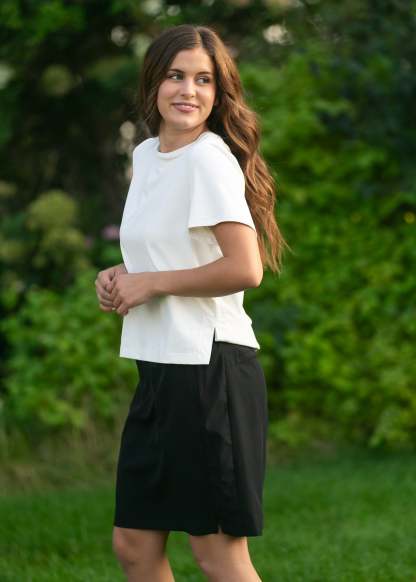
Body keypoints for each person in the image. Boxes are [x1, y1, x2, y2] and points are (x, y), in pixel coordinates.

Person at [95, 23, 287, 582]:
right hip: (159, 371)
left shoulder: (208, 159)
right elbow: (167, 251)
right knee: (134, 545)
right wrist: (122, 276)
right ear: (154, 82)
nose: (188, 91)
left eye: (204, 80)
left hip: (211, 373)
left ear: (219, 92)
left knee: (217, 554)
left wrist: (152, 284)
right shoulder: (147, 156)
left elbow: (245, 268)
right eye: (176, 76)